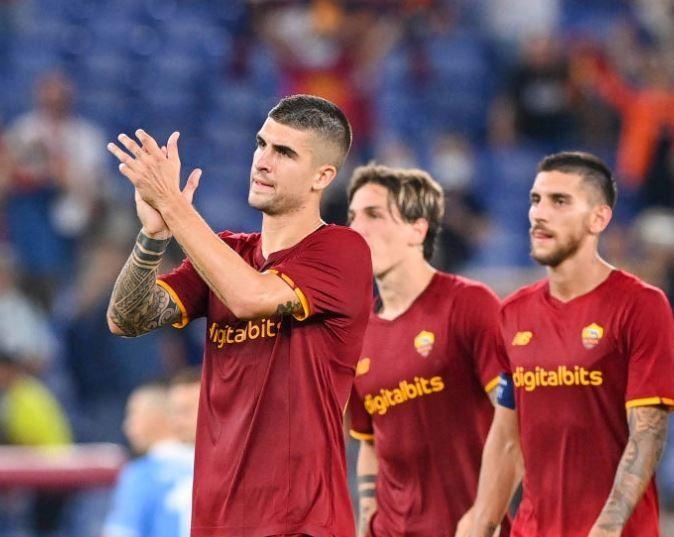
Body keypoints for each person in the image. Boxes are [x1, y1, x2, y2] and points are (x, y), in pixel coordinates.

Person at [105, 94, 373, 536]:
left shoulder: (342, 252)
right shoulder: (227, 252)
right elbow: (127, 318)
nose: (263, 161)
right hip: (216, 524)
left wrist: (174, 205)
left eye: (284, 152)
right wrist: (153, 236)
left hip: (301, 525)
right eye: (261, 144)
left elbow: (249, 295)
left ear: (322, 176)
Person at [466, 152, 674, 537]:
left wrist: (608, 528)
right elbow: (508, 437)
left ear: (599, 218)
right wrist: (481, 521)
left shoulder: (641, 305)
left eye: (559, 201)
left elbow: (648, 434)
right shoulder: (513, 312)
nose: (539, 213)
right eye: (535, 200)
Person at [346, 164, 508, 536]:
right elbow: (370, 441)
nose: (356, 228)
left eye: (374, 214)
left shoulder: (469, 303)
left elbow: (513, 418)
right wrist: (366, 521)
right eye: (352, 216)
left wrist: (487, 515)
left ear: (417, 229)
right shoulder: (359, 335)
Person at [104, 382, 194, 537]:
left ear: (158, 418)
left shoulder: (142, 474)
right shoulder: (216, 469)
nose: (127, 426)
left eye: (134, 414)